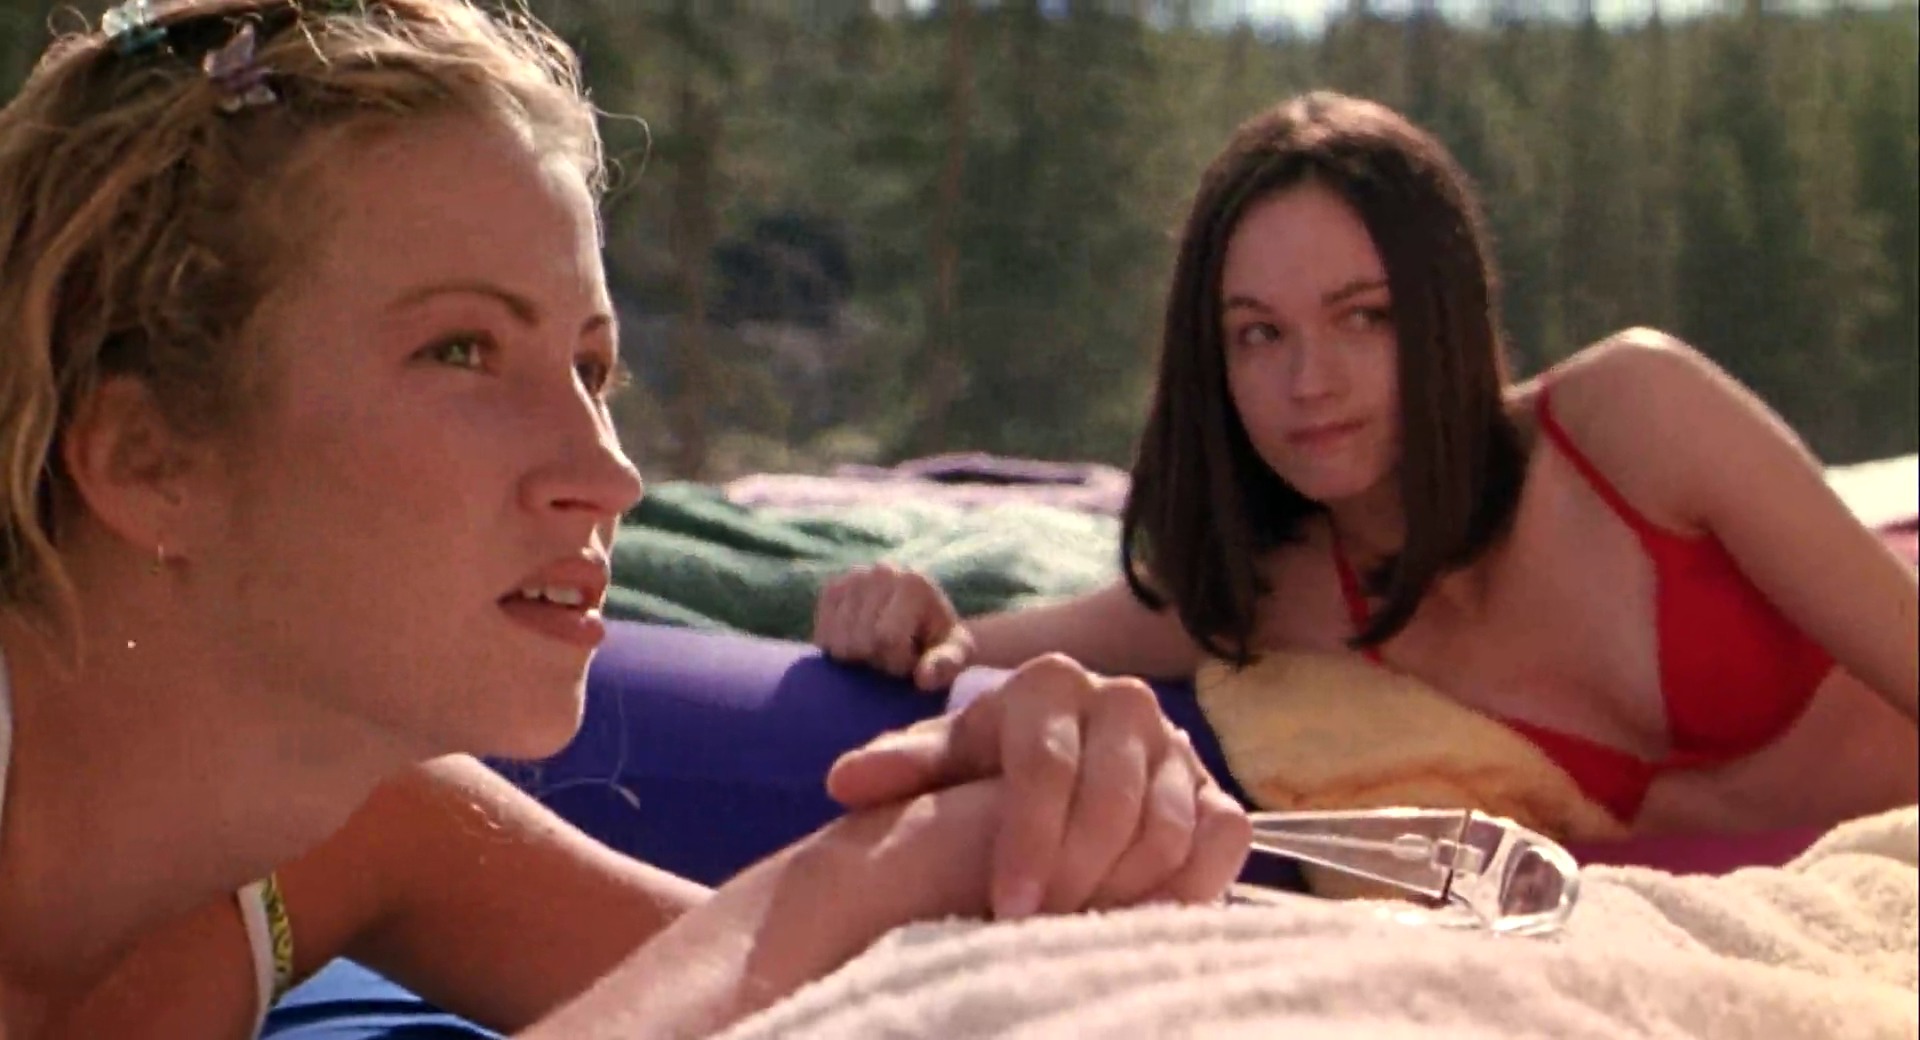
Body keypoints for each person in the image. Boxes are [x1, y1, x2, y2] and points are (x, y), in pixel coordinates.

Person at [0, 2, 1253, 1037]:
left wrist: (1019, 829)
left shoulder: (338, 823)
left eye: (592, 369)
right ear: (147, 460)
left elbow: (777, 989)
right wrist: (866, 872)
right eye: (461, 349)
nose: (609, 474)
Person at [814, 91, 1920, 838]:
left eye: (1363, 317)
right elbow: (965, 648)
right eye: (1261, 333)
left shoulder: (1637, 419)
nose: (1311, 381)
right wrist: (899, 609)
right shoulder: (1282, 593)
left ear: (1443, 311)